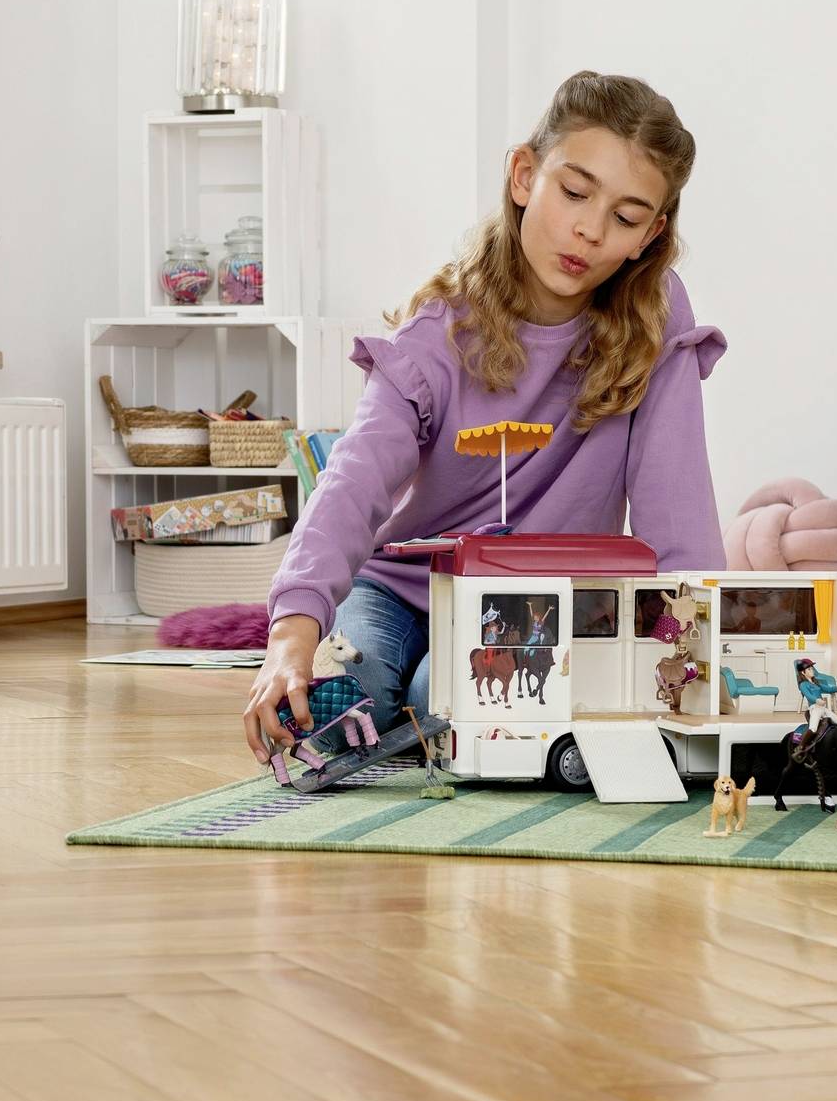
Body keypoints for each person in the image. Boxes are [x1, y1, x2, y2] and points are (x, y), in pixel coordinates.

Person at [243, 72, 726, 767]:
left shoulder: (656, 322)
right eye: (574, 191)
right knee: (357, 696)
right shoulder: (439, 331)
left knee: (447, 699)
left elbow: (675, 501)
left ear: (650, 236)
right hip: (399, 587)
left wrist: (691, 653)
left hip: (536, 605)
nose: (590, 229)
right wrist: (290, 639)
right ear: (525, 175)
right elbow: (354, 480)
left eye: (624, 217)